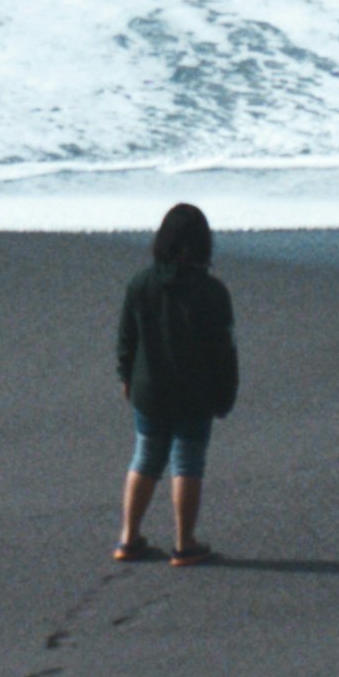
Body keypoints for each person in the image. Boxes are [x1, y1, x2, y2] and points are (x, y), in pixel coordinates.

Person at [110, 203, 239, 566]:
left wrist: (125, 378)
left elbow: (126, 338)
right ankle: (184, 544)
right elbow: (224, 352)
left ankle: (128, 538)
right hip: (195, 394)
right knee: (187, 463)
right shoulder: (213, 293)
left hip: (148, 390)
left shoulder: (141, 283)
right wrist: (225, 395)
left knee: (146, 458)